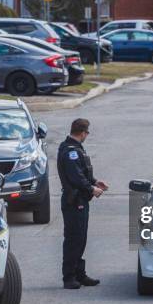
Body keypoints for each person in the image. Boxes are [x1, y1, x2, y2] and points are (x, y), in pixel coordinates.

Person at [57, 119, 109, 289]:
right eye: (87, 133)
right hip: (74, 201)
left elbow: (82, 172)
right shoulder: (70, 151)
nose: (87, 135)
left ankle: (79, 274)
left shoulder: (75, 148)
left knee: (81, 238)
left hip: (80, 200)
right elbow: (76, 177)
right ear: (82, 132)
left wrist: (95, 181)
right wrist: (91, 188)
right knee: (74, 239)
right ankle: (69, 277)